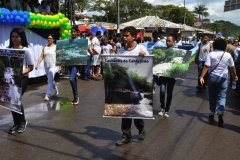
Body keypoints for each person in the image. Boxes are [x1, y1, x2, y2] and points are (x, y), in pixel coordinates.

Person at [115, 26, 148, 146]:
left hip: (137, 85)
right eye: (123, 35)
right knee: (126, 111)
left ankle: (140, 128)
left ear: (134, 36)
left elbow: (149, 64)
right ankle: (126, 136)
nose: (124, 37)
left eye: (126, 35)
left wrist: (144, 56)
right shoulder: (121, 50)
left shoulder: (141, 48)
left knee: (136, 110)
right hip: (124, 84)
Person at [199, 38, 238, 125]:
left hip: (212, 77)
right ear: (224, 46)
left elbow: (207, 66)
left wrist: (201, 76)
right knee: (222, 96)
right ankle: (220, 111)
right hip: (223, 78)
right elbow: (232, 67)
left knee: (212, 95)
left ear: (215, 45)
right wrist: (235, 76)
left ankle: (212, 112)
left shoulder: (211, 54)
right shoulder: (227, 55)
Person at [7, 27, 34, 133]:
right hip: (10, 79)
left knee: (16, 99)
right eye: (13, 36)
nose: (14, 38)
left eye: (17, 36)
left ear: (21, 38)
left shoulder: (26, 51)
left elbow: (30, 67)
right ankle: (16, 123)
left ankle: (22, 122)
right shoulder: (8, 50)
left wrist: (20, 72)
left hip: (22, 78)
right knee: (10, 101)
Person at [157, 35, 177, 118]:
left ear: (173, 42)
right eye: (167, 41)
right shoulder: (162, 51)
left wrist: (177, 74)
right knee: (162, 91)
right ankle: (162, 107)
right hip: (163, 74)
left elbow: (179, 64)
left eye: (169, 41)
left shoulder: (177, 52)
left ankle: (167, 110)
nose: (167, 42)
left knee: (169, 93)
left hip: (172, 76)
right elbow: (158, 61)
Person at [35, 34, 59, 101]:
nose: (49, 39)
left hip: (53, 66)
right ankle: (56, 90)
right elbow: (41, 56)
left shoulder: (56, 47)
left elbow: (59, 57)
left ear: (53, 39)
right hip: (46, 66)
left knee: (50, 80)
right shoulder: (45, 47)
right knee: (50, 79)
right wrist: (37, 64)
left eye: (50, 38)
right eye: (48, 38)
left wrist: (60, 66)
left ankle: (47, 95)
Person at [68, 25, 81, 105]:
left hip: (76, 63)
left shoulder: (81, 41)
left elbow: (84, 50)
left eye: (74, 32)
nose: (72, 33)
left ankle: (76, 96)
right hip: (69, 62)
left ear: (77, 32)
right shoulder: (69, 40)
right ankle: (75, 96)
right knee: (74, 79)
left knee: (71, 79)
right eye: (71, 32)